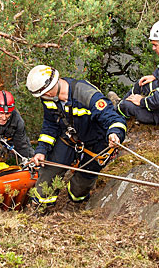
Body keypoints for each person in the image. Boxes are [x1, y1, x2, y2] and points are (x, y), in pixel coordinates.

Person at [26, 65, 127, 209]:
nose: (45, 97)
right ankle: (41, 207)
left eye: (46, 93)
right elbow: (50, 124)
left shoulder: (86, 94)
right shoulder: (48, 98)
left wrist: (115, 134)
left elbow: (114, 119)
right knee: (48, 174)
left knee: (80, 187)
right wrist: (41, 150)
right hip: (70, 138)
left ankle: (76, 204)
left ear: (54, 84)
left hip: (96, 141)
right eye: (42, 95)